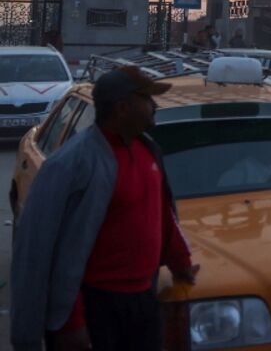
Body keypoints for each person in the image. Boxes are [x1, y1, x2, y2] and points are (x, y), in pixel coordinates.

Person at [10, 66, 199, 351]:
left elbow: (163, 216)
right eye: (147, 99)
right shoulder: (71, 164)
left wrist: (180, 261)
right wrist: (71, 324)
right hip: (94, 308)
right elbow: (43, 250)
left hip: (143, 303)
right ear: (123, 108)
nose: (154, 106)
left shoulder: (148, 152)